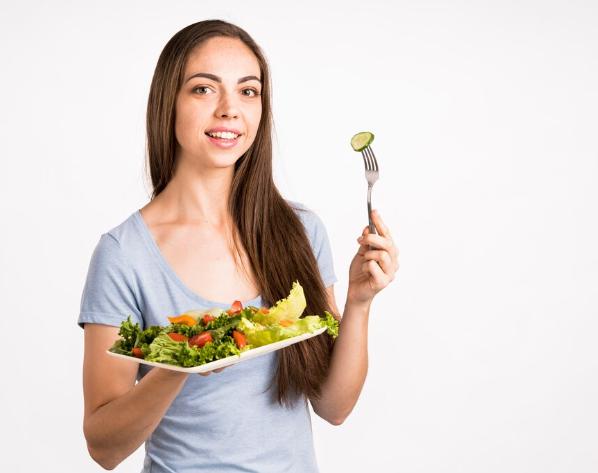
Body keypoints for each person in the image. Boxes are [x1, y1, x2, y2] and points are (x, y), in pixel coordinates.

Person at [79, 19, 399, 473]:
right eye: (204, 89)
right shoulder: (124, 254)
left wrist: (361, 303)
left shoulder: (300, 231)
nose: (230, 109)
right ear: (168, 102)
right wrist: (182, 364)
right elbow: (104, 447)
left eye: (248, 91)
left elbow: (333, 406)